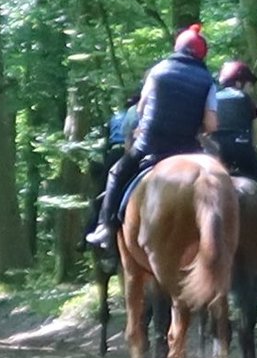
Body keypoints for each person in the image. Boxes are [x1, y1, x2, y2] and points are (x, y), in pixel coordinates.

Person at [88, 22, 219, 250]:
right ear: (202, 54)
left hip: (150, 144)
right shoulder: (208, 80)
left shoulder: (159, 70)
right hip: (188, 148)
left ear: (178, 47)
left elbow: (141, 109)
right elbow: (211, 124)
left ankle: (105, 229)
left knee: (116, 172)